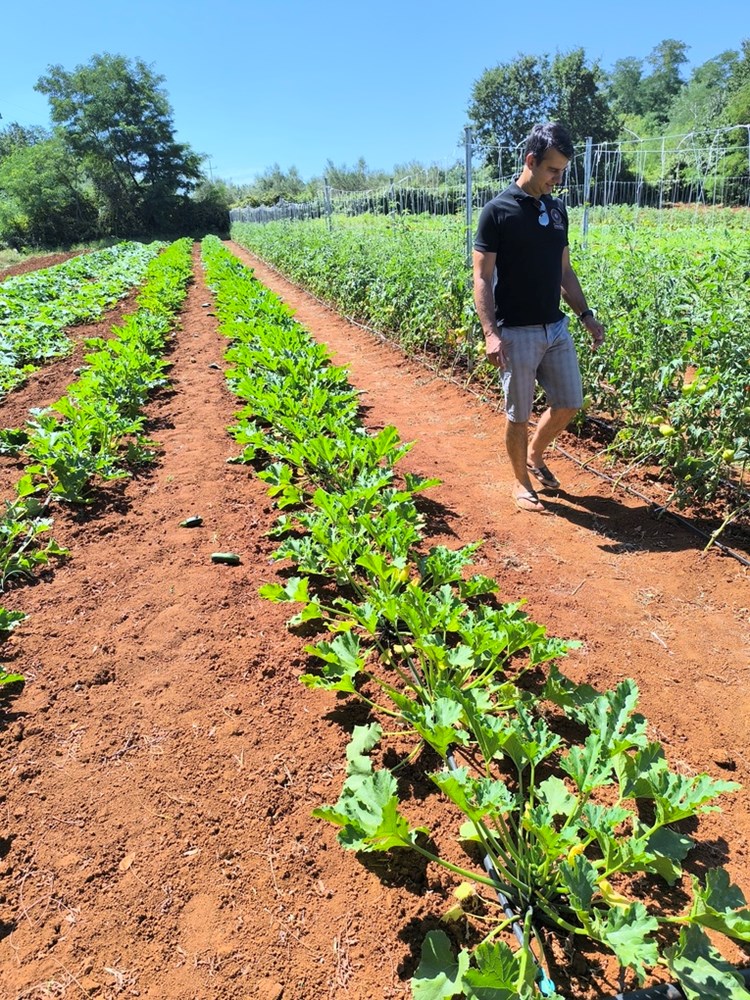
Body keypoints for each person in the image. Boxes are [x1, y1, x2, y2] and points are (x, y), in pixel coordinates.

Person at [473, 122, 605, 513]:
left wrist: (585, 314)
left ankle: (535, 454)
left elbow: (564, 271)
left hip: (556, 327)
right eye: (552, 170)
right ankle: (520, 482)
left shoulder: (557, 209)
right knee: (519, 414)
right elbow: (482, 276)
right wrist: (490, 333)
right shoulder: (497, 212)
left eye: (562, 171)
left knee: (568, 402)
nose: (557, 179)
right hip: (517, 332)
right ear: (531, 161)